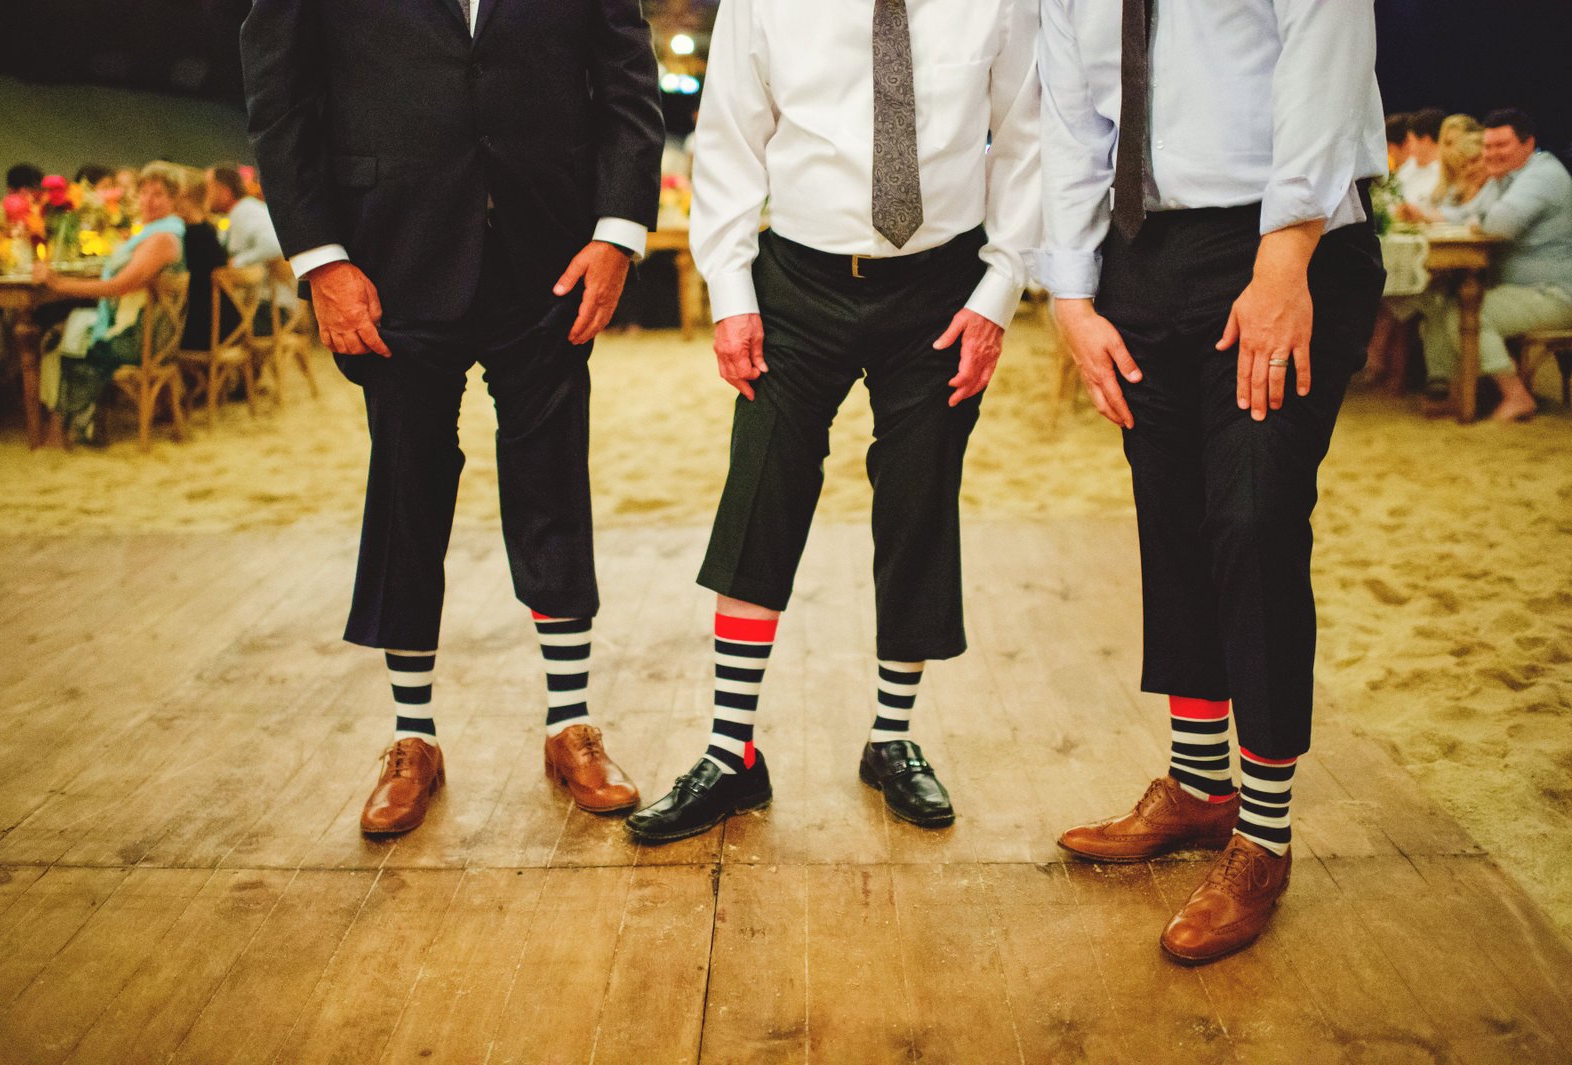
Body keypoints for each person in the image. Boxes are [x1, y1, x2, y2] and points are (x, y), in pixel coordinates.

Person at [241, 0, 665, 835]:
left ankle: (569, 725)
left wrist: (618, 232)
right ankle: (412, 737)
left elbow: (627, 81)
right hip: (387, 257)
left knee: (552, 483)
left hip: (550, 254)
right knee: (407, 486)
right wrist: (320, 257)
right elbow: (279, 94)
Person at [624, 0, 1043, 843]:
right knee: (761, 488)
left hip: (942, 286)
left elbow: (1029, 139)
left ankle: (892, 739)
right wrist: (732, 296)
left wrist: (998, 291)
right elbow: (730, 142)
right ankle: (729, 751)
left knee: (920, 494)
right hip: (797, 283)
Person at [1038, 0, 1386, 963]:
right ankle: (1199, 785)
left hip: (1284, 243)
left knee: (1253, 518)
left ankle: (1263, 838)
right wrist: (1070, 294)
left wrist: (1286, 259)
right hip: (1141, 259)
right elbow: (1073, 124)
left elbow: (1326, 54)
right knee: (1176, 522)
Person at [1419, 108, 1572, 421]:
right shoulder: (1508, 177)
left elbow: (1500, 224)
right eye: (1488, 147)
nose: (1491, 154)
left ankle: (1516, 397)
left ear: (1528, 145)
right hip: (1525, 290)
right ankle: (1461, 394)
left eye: (1501, 146)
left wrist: (1479, 219)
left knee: (1468, 312)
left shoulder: (1542, 176)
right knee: (1442, 303)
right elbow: (1468, 214)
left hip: (1554, 293)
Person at [32, 162, 187, 446]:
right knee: (68, 329)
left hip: (144, 339)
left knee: (73, 339)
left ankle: (61, 429)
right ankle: (77, 424)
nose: (148, 201)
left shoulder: (163, 240)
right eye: (144, 193)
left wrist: (58, 284)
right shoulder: (156, 233)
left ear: (174, 200)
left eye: (158, 194)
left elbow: (119, 286)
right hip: (147, 328)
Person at [175, 168, 233, 352]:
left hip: (202, 330)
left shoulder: (189, 235)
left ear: (185, 199)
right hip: (228, 323)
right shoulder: (209, 229)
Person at [207, 164, 283, 268]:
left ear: (224, 191)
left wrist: (237, 262)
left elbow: (274, 245)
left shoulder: (247, 212)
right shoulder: (234, 214)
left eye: (208, 188)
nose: (205, 195)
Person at [1398, 107, 1445, 206]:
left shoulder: (1445, 173)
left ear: (1426, 141)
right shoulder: (1407, 169)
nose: (1409, 147)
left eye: (1411, 141)